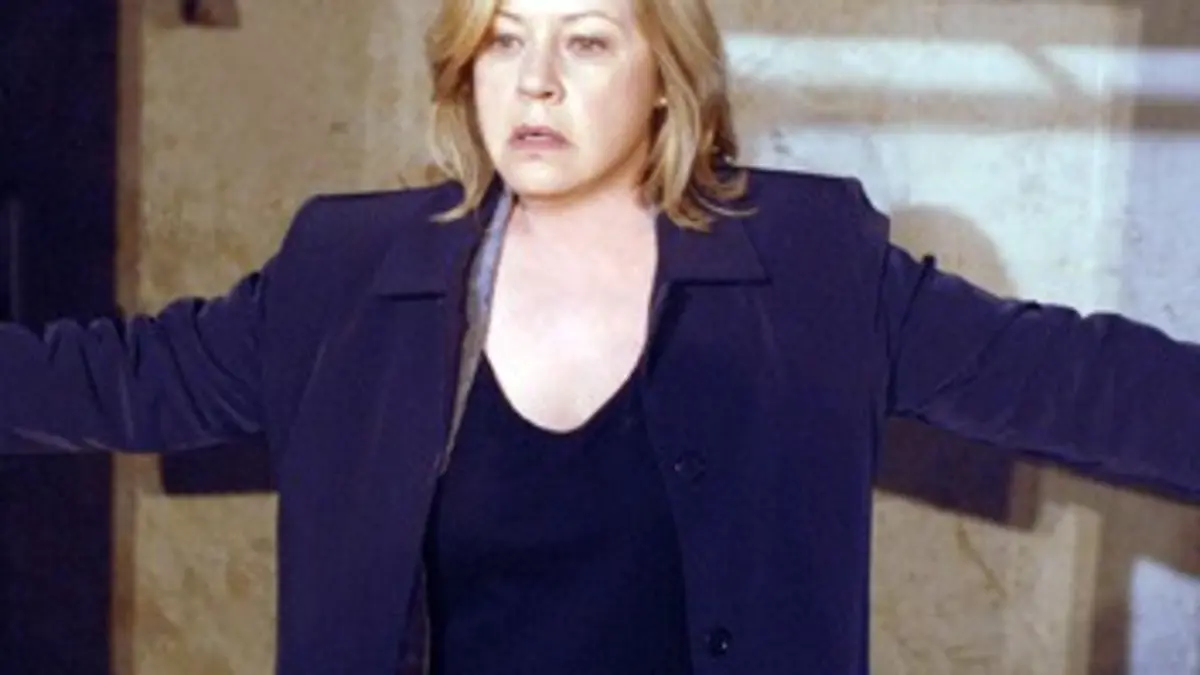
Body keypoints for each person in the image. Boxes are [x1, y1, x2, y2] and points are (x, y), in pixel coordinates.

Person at [4, 0, 1199, 672]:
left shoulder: (810, 264)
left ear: (666, 77)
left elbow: (1077, 380)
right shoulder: (349, 268)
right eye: (503, 39)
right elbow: (114, 381)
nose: (534, 82)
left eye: (584, 41)